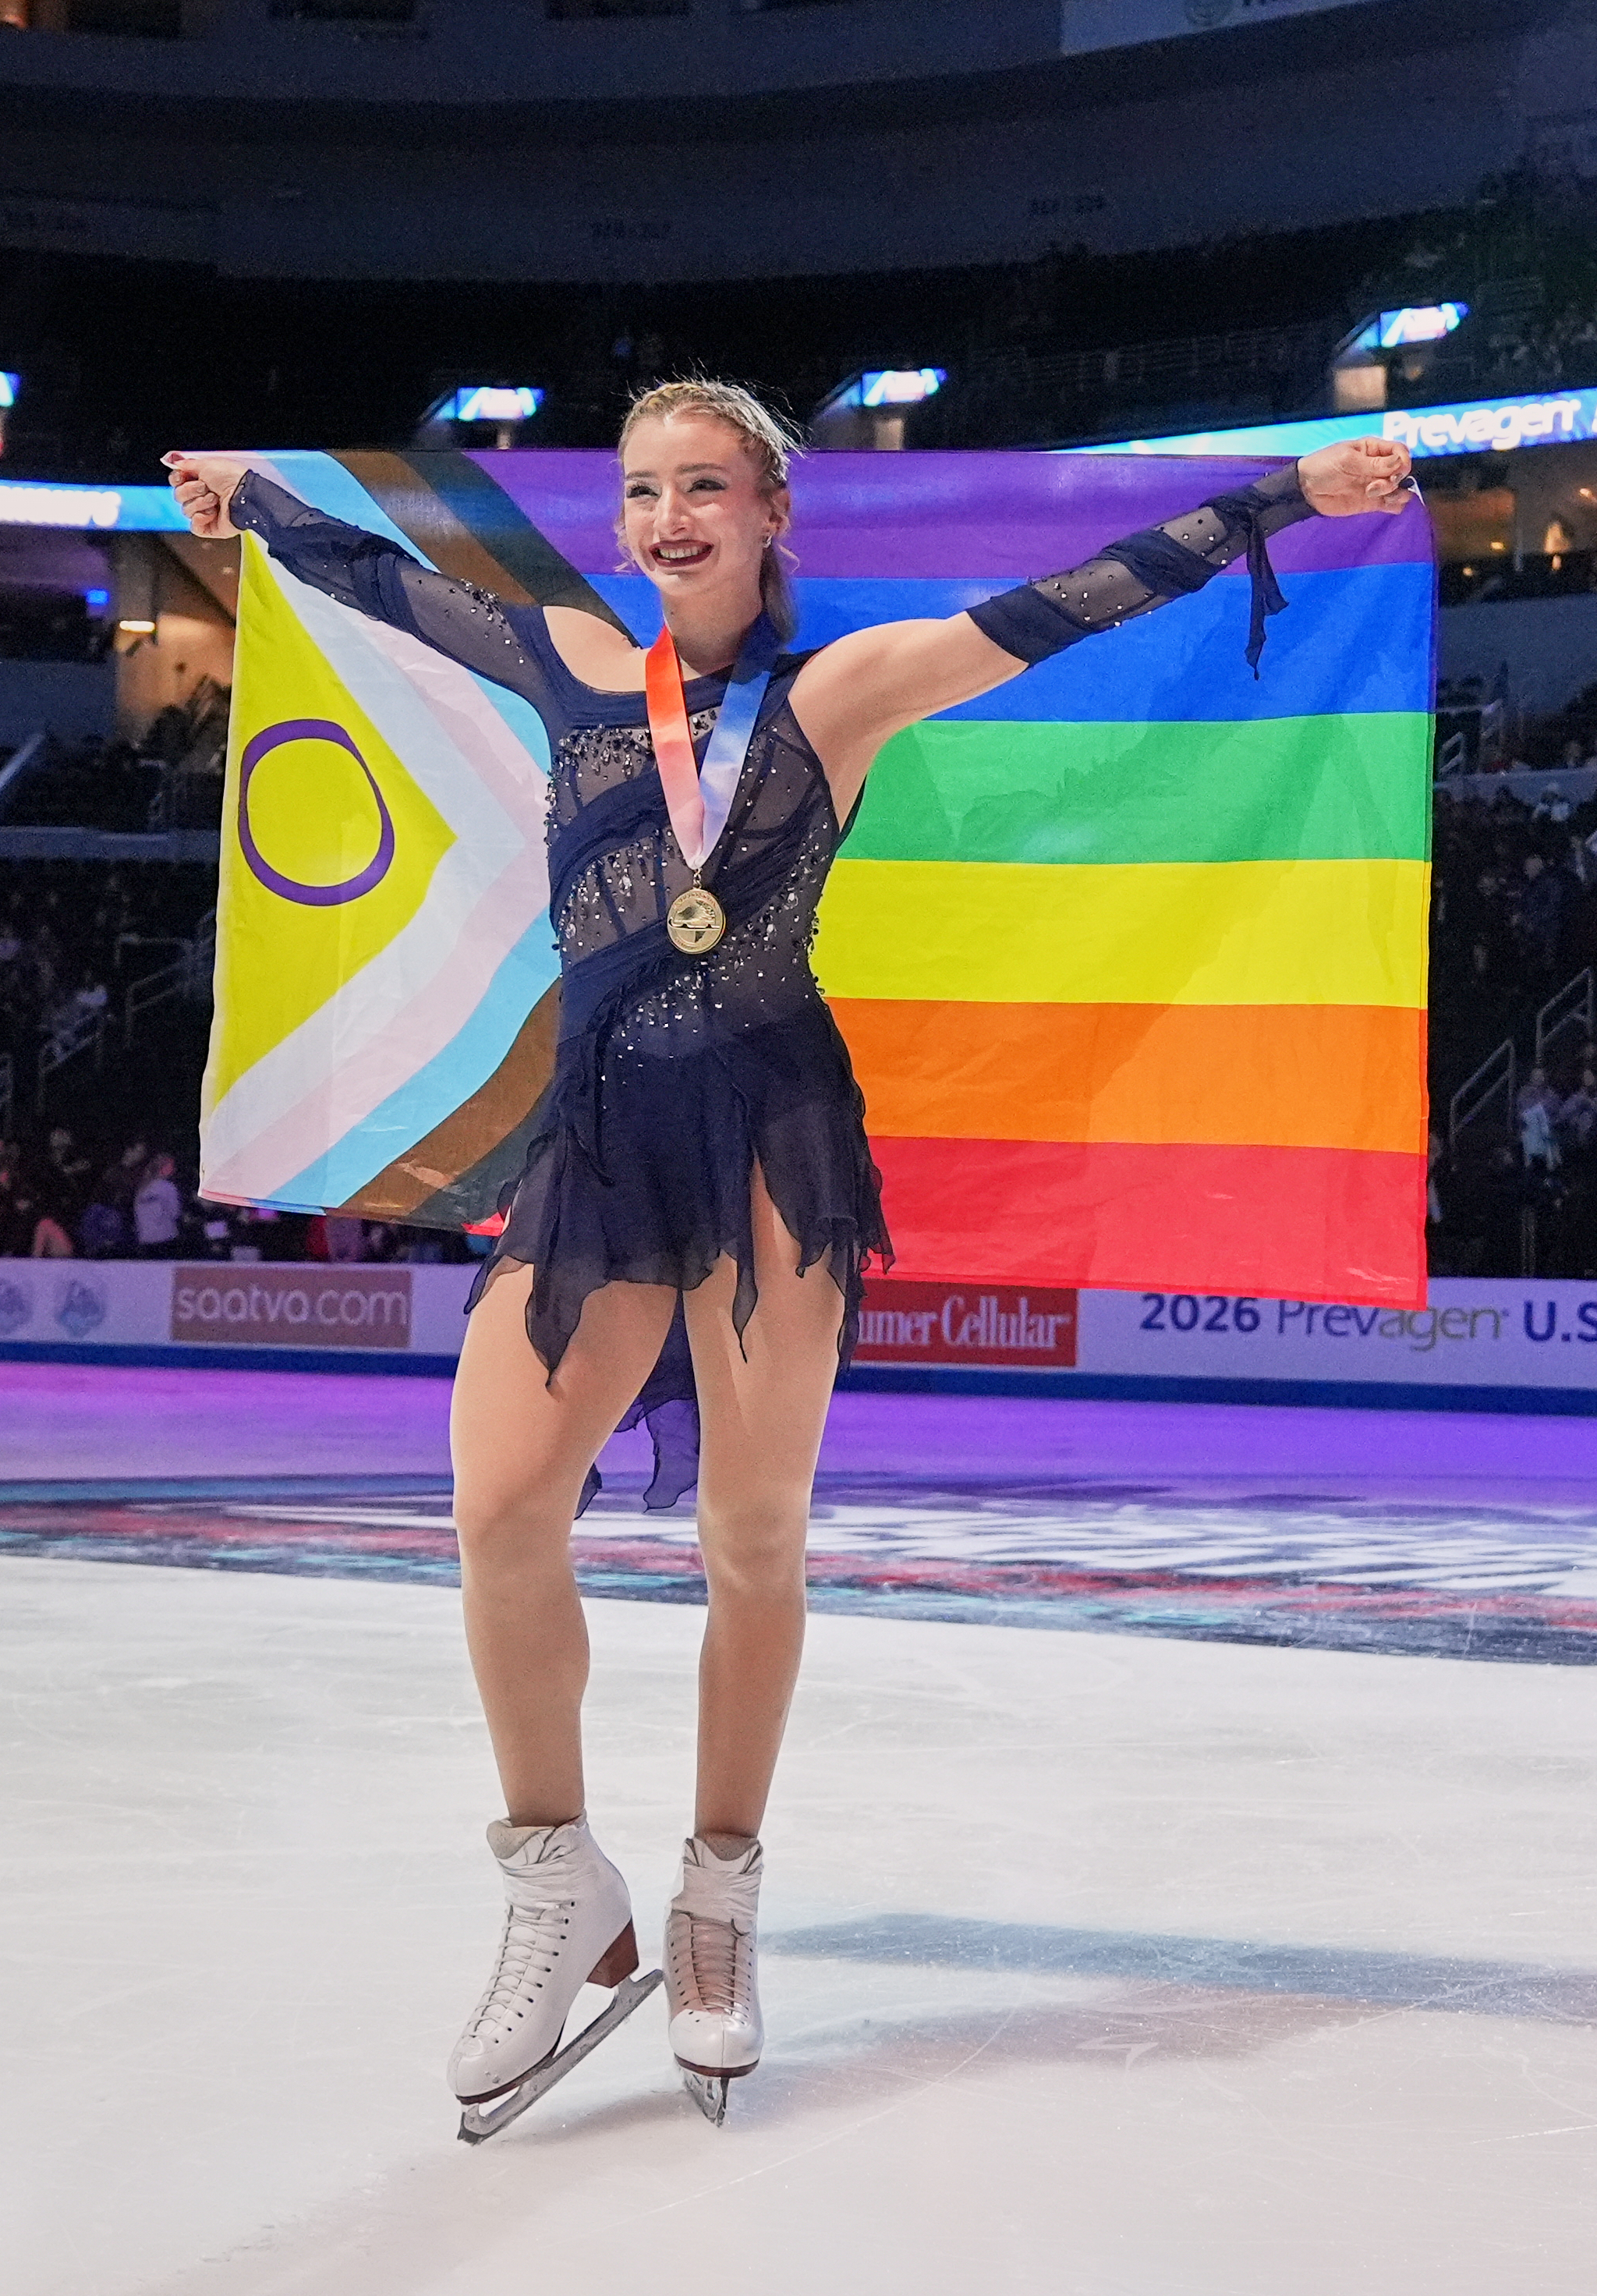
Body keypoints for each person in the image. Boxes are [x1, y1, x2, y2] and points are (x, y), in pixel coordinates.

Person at [166, 391, 1413, 2128]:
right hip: (599, 1131)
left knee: (751, 1533)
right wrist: (250, 499)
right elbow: (385, 586)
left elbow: (1078, 598)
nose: (671, 513)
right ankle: (555, 1880)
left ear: (769, 514)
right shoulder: (568, 659)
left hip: (769, 1134)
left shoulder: (845, 690)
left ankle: (717, 1900)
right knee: (499, 1505)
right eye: (644, 490)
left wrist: (1287, 491)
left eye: (706, 487)